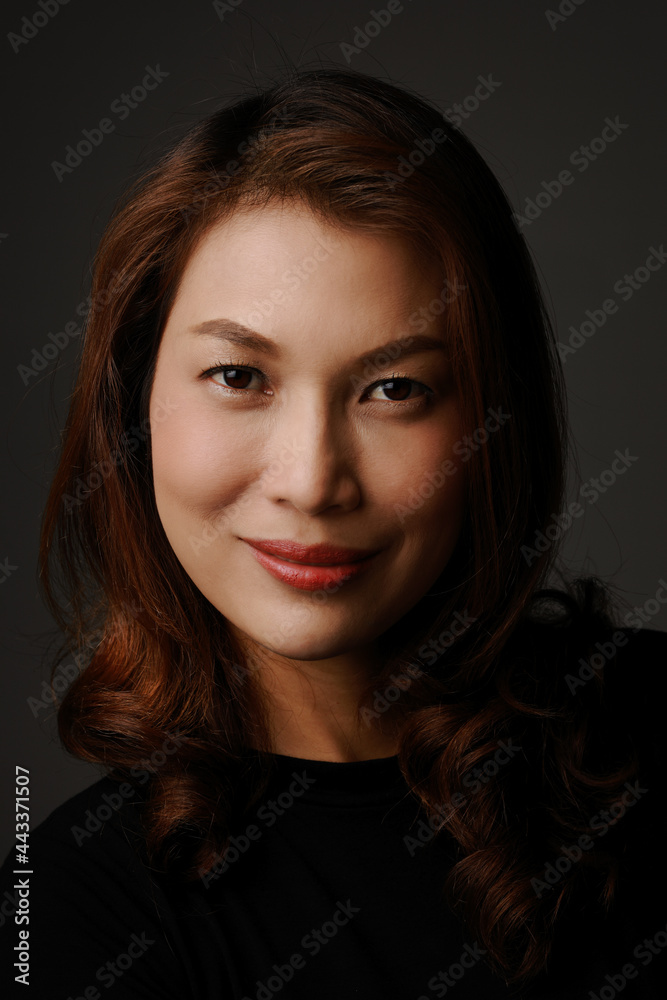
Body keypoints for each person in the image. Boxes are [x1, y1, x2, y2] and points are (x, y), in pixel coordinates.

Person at [1, 65, 666, 999]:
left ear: (488, 426)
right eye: (238, 376)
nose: (311, 481)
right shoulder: (71, 911)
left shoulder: (646, 733)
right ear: (134, 403)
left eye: (394, 390)